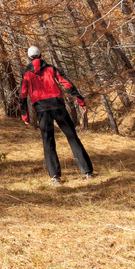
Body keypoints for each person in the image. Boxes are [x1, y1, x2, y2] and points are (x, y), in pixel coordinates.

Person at [19, 45, 94, 184]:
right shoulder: (51, 68)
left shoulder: (26, 73)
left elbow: (23, 96)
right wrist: (81, 101)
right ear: (40, 55)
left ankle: (55, 177)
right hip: (58, 106)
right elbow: (68, 84)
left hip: (42, 110)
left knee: (48, 142)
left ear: (28, 58)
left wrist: (25, 116)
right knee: (72, 137)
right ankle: (88, 172)